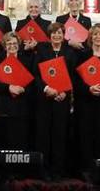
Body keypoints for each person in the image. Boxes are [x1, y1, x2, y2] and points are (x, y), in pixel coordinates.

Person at [33, 22, 77, 180]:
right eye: (53, 33)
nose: (56, 36)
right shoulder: (42, 51)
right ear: (49, 35)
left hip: (62, 100)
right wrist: (47, 89)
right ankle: (43, 170)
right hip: (45, 99)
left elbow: (74, 75)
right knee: (43, 135)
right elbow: (35, 75)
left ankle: (58, 171)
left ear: (63, 34)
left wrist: (64, 92)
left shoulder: (70, 52)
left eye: (59, 33)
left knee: (60, 135)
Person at [74, 24, 100, 173]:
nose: (98, 37)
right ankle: (86, 170)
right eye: (95, 34)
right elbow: (76, 80)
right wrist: (88, 89)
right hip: (86, 103)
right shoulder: (82, 55)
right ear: (90, 38)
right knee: (85, 136)